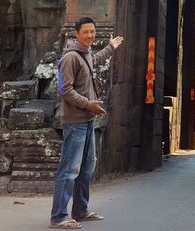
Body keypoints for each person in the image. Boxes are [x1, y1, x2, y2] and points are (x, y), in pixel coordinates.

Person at [50, 17, 123, 229]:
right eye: (86, 32)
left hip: (88, 120)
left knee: (87, 168)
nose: (90, 35)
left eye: (92, 31)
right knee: (70, 169)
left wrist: (110, 47)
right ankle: (58, 216)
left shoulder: (86, 54)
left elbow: (96, 60)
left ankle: (80, 210)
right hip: (75, 121)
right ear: (76, 33)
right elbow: (64, 89)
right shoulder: (71, 57)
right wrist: (87, 104)